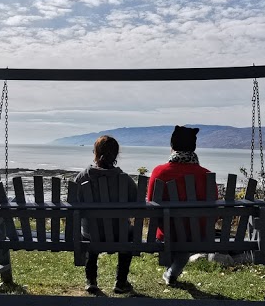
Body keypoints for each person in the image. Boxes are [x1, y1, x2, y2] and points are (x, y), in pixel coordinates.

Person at [147, 125, 216, 286]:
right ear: (194, 148)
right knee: (187, 234)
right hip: (196, 233)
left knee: (173, 231)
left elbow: (151, 203)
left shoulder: (159, 172)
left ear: (172, 147)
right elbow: (213, 208)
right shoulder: (206, 174)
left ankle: (170, 272)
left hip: (167, 231)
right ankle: (171, 273)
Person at [73, 135, 137, 294]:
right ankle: (121, 281)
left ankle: (91, 280)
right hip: (118, 234)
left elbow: (73, 203)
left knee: (91, 231)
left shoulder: (82, 177)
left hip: (90, 233)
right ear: (116, 155)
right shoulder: (125, 180)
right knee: (130, 231)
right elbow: (136, 204)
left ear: (95, 152)